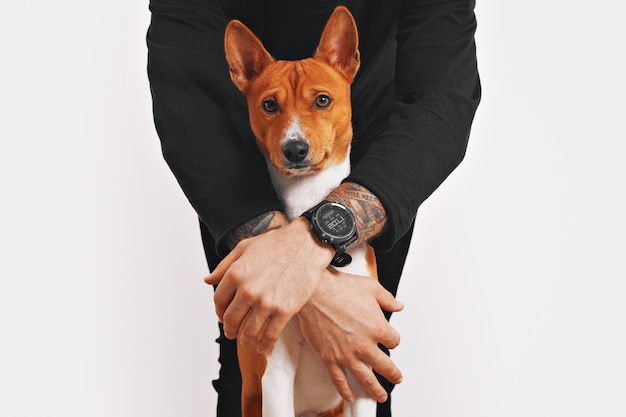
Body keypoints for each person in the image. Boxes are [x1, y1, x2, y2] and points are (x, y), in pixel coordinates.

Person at [147, 1, 480, 416]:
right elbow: (185, 95)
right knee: (251, 361)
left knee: (361, 352)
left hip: (377, 156)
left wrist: (310, 248)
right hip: (239, 165)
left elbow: (442, 95)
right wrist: (300, 276)